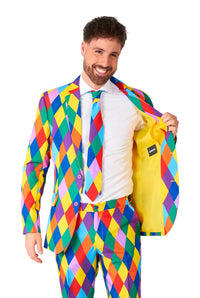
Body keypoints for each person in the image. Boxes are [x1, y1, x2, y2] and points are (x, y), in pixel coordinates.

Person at [21, 16, 179, 298]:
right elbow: (35, 165)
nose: (105, 62)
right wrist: (30, 225)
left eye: (113, 54)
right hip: (71, 222)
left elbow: (152, 151)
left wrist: (169, 134)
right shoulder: (52, 101)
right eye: (98, 51)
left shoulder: (136, 101)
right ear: (83, 48)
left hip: (119, 221)